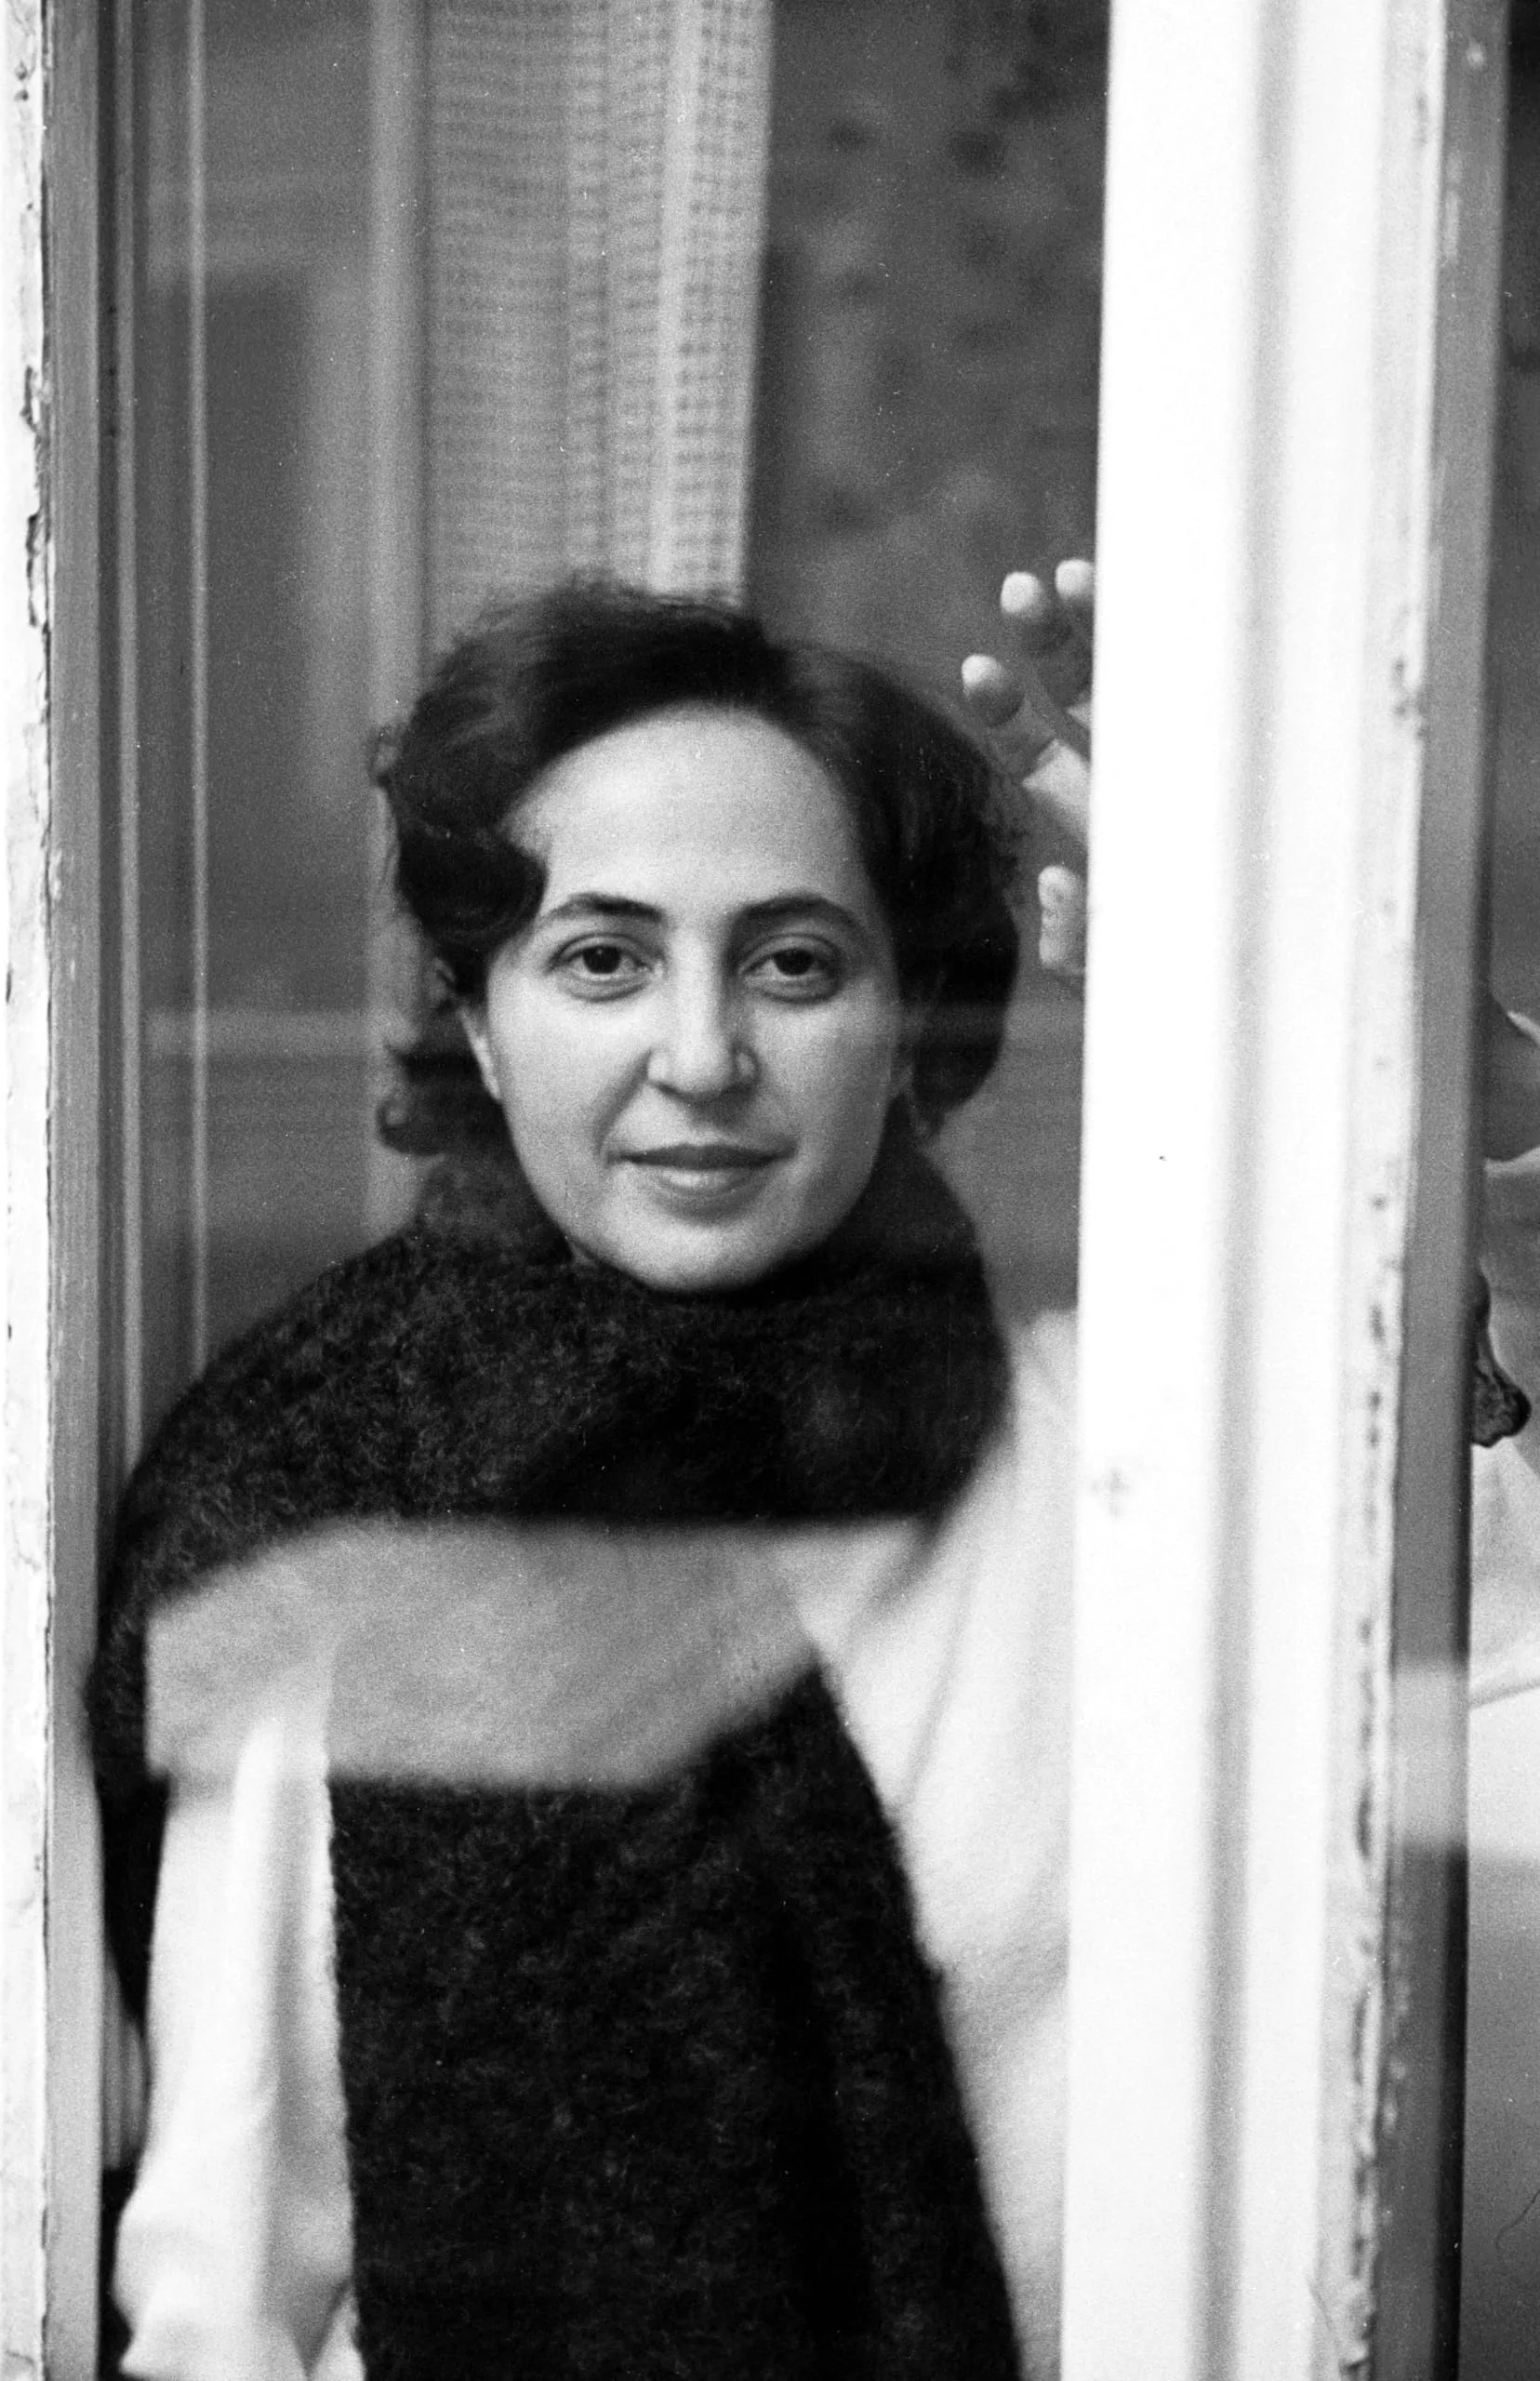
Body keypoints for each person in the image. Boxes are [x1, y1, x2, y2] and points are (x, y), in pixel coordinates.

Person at [89, 567, 1540, 2381]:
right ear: (480, 1025)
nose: (701, 1059)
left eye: (793, 961)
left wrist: (1441, 1099)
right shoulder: (329, 1504)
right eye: (603, 958)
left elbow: (1502, 1688)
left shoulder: (1117, 1462)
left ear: (911, 1026)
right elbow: (226, 2300)